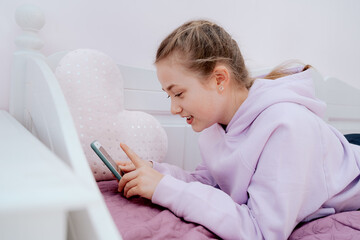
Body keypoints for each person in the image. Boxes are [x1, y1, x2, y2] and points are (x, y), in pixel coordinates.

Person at [116, 20, 360, 239]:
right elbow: (208, 182)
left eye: (178, 93)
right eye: (169, 95)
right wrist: (156, 173)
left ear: (220, 79)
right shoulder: (214, 126)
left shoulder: (288, 127)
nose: (173, 108)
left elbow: (261, 232)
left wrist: (164, 188)